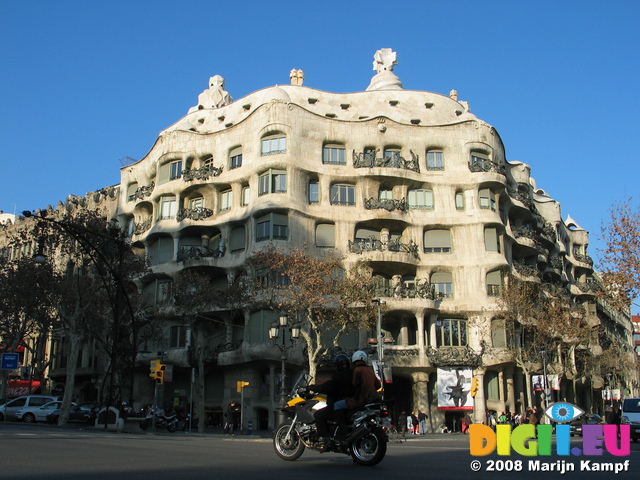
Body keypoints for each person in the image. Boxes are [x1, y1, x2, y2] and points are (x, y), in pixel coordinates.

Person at [307, 354, 353, 451]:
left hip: (339, 405)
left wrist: (313, 387)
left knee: (319, 415)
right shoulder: (352, 374)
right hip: (350, 404)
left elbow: (328, 387)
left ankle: (324, 439)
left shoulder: (338, 376)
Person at [333, 351, 382, 440]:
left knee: (337, 405)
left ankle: (342, 429)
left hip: (360, 399)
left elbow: (355, 384)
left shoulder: (357, 370)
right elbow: (378, 385)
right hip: (371, 398)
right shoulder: (370, 371)